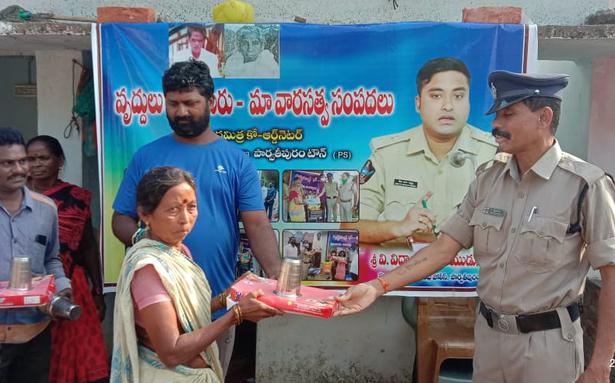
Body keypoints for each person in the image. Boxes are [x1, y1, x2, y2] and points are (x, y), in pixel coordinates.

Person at [336, 71, 615, 383]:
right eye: (497, 115)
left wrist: (601, 364)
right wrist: (377, 287)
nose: (497, 124)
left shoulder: (585, 185)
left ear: (544, 118)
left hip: (548, 346)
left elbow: (612, 276)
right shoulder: (488, 178)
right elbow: (444, 247)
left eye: (509, 114)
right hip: (490, 338)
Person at [111, 60, 281, 375]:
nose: (182, 111)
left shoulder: (236, 160)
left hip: (217, 301)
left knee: (210, 375)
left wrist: (277, 276)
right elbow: (121, 219)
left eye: (191, 103)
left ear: (211, 102)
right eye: (173, 103)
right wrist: (154, 249)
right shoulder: (146, 156)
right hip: (158, 305)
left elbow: (257, 224)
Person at [111, 166, 282, 382]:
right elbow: (172, 352)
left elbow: (181, 315)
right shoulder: (150, 269)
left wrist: (224, 299)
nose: (185, 219)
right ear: (145, 214)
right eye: (173, 210)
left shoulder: (179, 252)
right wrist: (236, 315)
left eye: (191, 207)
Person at [342, 57, 497, 243]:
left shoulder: (493, 155)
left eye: (458, 96)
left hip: (466, 272)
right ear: (418, 103)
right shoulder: (387, 154)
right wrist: (399, 227)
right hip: (399, 268)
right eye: (436, 96)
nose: (448, 106)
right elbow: (349, 226)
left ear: (468, 102)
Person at [26, 135, 108, 383]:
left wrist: (98, 291)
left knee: (75, 354)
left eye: (44, 158)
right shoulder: (15, 197)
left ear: (59, 160)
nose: (37, 164)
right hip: (23, 289)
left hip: (70, 285)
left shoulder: (76, 197)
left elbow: (87, 246)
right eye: (30, 159)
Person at [0, 127, 72, 383]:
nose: (19, 169)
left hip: (34, 330)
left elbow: (51, 257)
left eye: (23, 161)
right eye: (7, 163)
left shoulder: (46, 209)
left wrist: (62, 286)